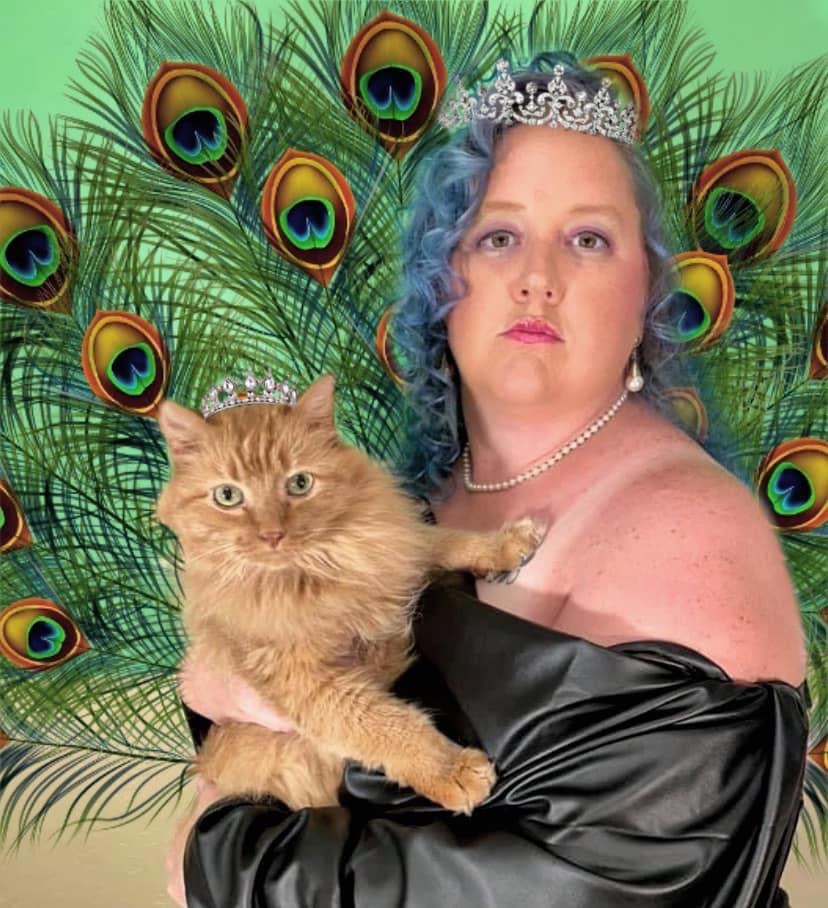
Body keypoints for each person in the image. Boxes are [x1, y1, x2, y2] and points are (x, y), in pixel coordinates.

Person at [166, 53, 809, 907]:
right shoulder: (408, 498)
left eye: (588, 239)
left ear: (647, 293)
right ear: (441, 281)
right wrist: (224, 686)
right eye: (498, 237)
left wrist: (214, 856)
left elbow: (595, 891)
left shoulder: (689, 529)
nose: (538, 277)